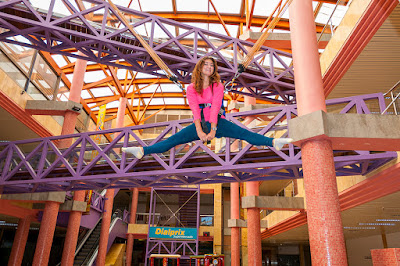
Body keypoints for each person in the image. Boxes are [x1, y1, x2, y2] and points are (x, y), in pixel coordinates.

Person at [122, 56, 292, 159]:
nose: (209, 67)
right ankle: (142, 151)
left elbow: (217, 106)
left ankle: (273, 142)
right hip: (200, 124)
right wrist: (200, 131)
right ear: (200, 68)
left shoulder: (217, 86)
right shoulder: (190, 88)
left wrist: (212, 130)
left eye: (212, 65)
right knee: (171, 141)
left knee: (244, 134)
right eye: (206, 65)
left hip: (218, 122)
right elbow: (195, 111)